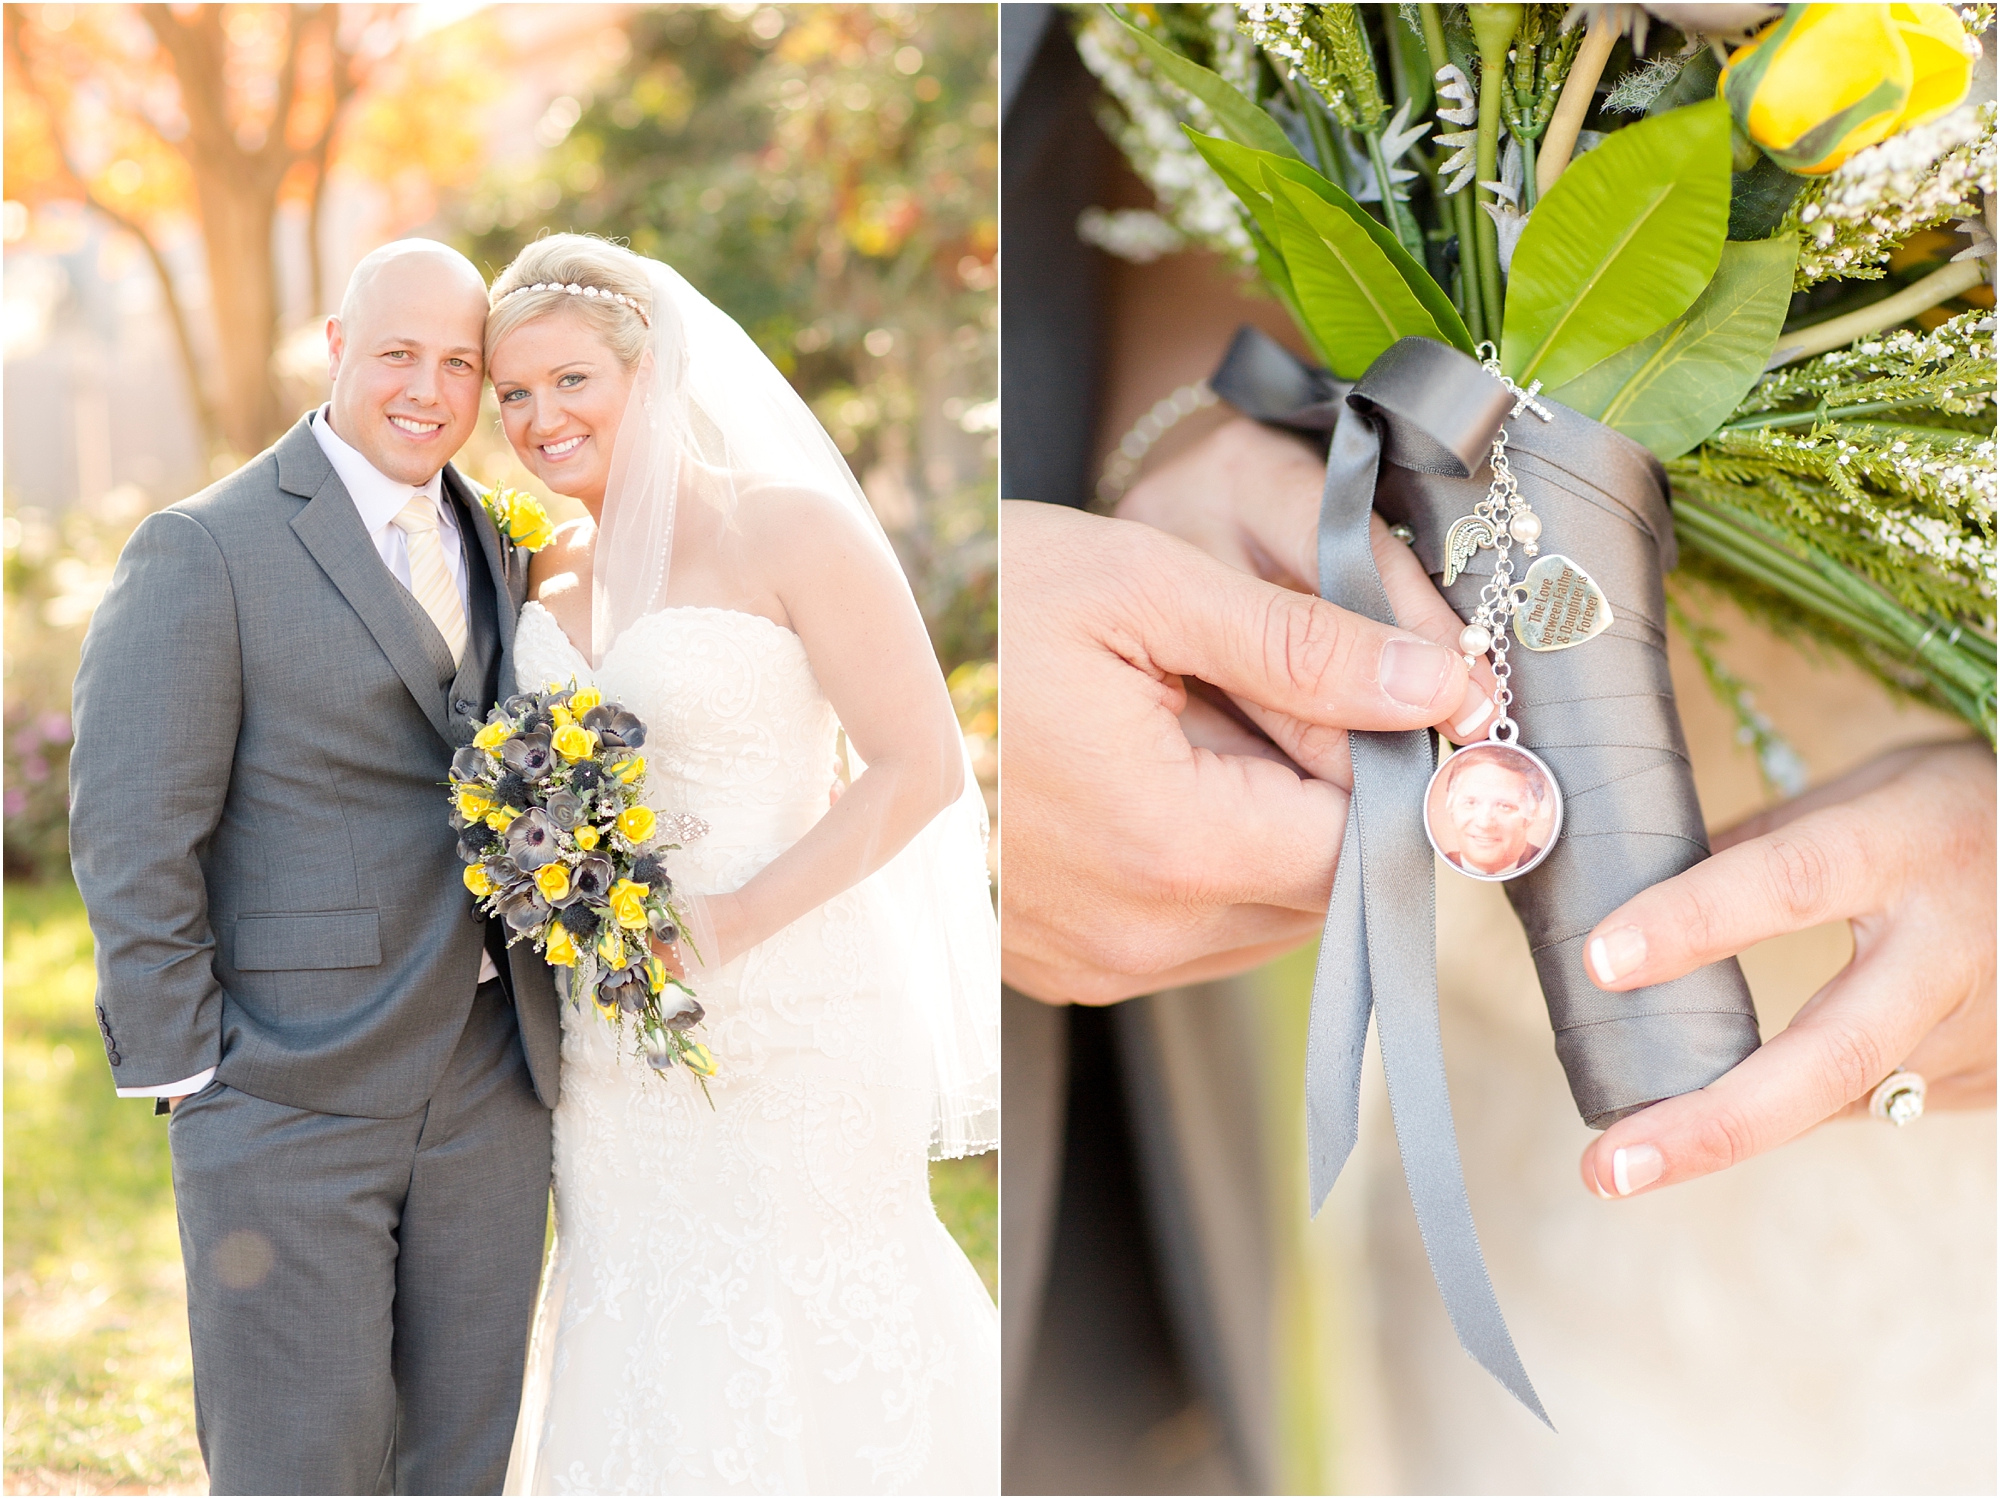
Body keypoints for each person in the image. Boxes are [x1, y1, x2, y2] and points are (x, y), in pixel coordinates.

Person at [484, 235, 1000, 1495]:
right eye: (512, 396)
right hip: (613, 1047)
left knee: (812, 1302)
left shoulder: (787, 527)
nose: (539, 418)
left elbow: (918, 763)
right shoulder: (540, 569)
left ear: (646, 368)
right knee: (639, 1309)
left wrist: (731, 919)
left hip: (801, 1015)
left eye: (568, 382)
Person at [69, 239, 560, 1495]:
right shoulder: (203, 547)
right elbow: (133, 828)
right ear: (337, 347)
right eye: (399, 352)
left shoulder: (502, 544)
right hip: (283, 1093)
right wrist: (197, 1078)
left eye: (461, 362)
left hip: (489, 1087)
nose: (429, 388)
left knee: (458, 1460)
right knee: (298, 1461)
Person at [1436, 750, 1549, 877]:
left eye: (1504, 806)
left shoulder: (1554, 868)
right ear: (1451, 807)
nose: (1484, 824)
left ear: (1532, 813)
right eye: (1470, 803)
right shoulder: (1430, 869)